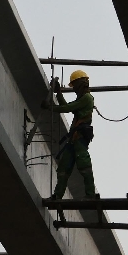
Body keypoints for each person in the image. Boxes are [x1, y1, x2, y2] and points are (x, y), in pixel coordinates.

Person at [41, 70, 97, 199]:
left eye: (75, 85)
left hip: (80, 137)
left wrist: (50, 107)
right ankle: (57, 195)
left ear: (80, 83)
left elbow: (67, 108)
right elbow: (67, 106)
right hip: (74, 138)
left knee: (84, 164)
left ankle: (91, 195)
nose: (75, 89)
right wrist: (58, 93)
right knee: (64, 168)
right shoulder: (81, 99)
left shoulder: (87, 98)